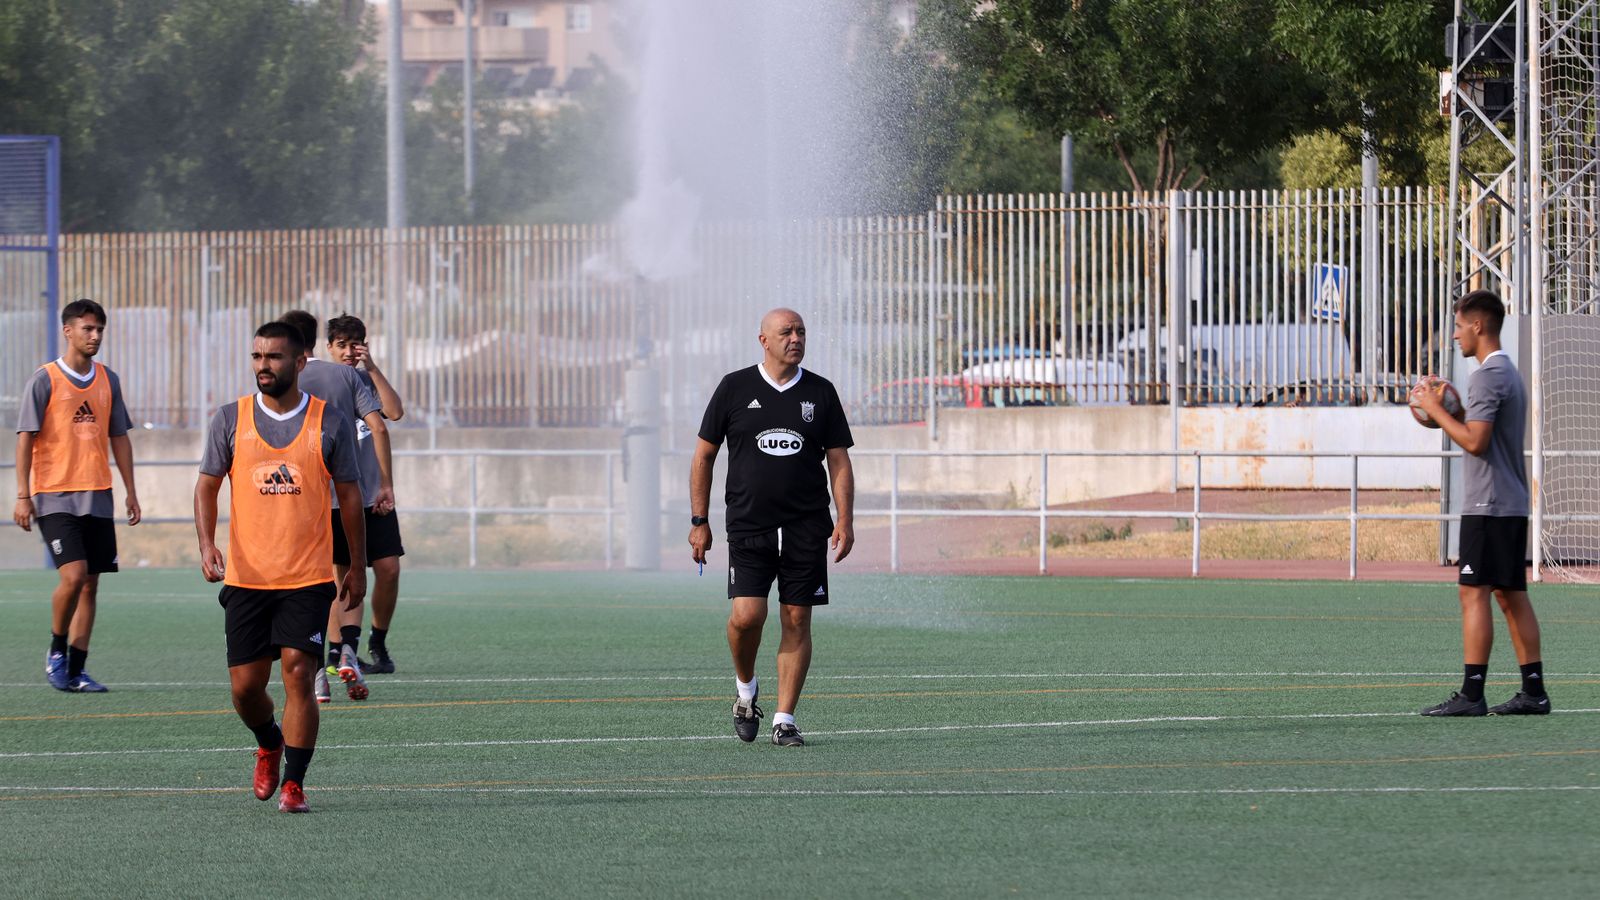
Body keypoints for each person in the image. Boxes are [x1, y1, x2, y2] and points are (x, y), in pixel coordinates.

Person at [194, 321, 366, 813]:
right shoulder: (230, 418)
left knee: (298, 673)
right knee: (246, 689)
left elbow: (350, 496)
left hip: (307, 578)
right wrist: (206, 544)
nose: (262, 366)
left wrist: (356, 566)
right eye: (256, 356)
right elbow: (207, 485)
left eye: (272, 357)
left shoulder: (329, 422)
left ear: (300, 362)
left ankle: (295, 783)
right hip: (247, 577)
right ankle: (267, 741)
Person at [689, 308, 855, 747]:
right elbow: (703, 456)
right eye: (786, 332)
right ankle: (746, 691)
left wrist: (846, 519)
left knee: (797, 618)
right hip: (748, 526)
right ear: (763, 340)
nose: (796, 338)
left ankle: (785, 719)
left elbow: (838, 460)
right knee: (747, 617)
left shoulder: (820, 392)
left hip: (806, 526)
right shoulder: (735, 388)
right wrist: (699, 522)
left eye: (801, 331)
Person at [1413, 289, 1550, 716]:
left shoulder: (1487, 376)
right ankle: (1534, 692)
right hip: (1509, 502)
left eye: (1457, 326)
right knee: (1511, 595)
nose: (1454, 336)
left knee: (1473, 593)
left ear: (1477, 326)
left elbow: (1476, 441)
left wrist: (1436, 411)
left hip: (1489, 505)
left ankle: (1472, 695)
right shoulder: (1508, 371)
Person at [13, 298, 141, 693]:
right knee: (72, 576)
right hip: (54, 495)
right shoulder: (45, 379)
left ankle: (78, 667)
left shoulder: (109, 379)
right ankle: (56, 651)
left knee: (91, 583)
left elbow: (118, 436)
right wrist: (22, 494)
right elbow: (25, 438)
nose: (95, 335)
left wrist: (130, 491)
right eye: (87, 329)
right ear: (68, 331)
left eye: (99, 329)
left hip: (98, 494)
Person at [279, 310, 392, 702]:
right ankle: (347, 649)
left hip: (303, 497)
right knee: (350, 572)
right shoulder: (342, 377)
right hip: (350, 494)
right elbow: (381, 424)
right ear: (322, 344)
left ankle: (321, 667)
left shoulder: (284, 381)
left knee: (318, 581)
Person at [325, 313, 406, 674]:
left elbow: (394, 412)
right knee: (338, 575)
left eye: (354, 345)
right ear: (328, 347)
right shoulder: (321, 384)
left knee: (388, 569)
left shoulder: (365, 379)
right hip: (336, 498)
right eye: (340, 345)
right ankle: (338, 650)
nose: (347, 352)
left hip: (375, 497)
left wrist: (372, 367)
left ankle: (377, 640)